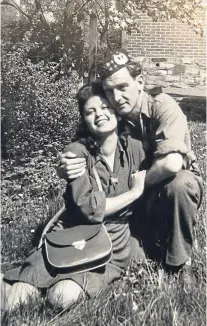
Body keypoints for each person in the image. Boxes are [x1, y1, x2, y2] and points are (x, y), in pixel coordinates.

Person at [58, 49, 203, 278]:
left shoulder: (162, 106)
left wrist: (136, 190)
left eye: (123, 87)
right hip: (131, 194)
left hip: (164, 186)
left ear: (140, 82)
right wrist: (68, 164)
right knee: (135, 256)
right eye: (109, 90)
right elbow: (87, 140)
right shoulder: (115, 113)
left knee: (180, 185)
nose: (116, 98)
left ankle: (178, 263)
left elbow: (171, 164)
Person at [1, 82, 146, 311]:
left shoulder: (136, 148)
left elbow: (167, 155)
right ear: (84, 121)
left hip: (112, 244)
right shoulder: (77, 153)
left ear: (116, 111)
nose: (99, 114)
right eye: (90, 111)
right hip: (70, 236)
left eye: (105, 107)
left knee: (61, 298)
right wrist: (135, 192)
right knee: (12, 303)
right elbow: (90, 210)